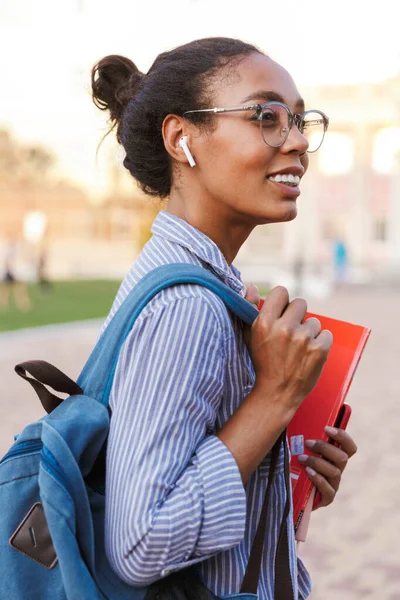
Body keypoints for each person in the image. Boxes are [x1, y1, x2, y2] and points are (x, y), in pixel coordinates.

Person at [91, 37, 357, 599]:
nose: (301, 141)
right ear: (180, 138)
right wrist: (275, 397)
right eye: (266, 117)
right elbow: (141, 543)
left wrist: (282, 476)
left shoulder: (195, 280)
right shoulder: (189, 306)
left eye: (301, 119)